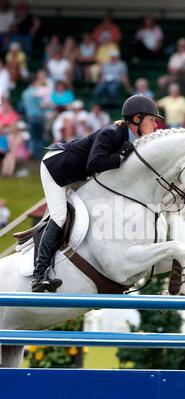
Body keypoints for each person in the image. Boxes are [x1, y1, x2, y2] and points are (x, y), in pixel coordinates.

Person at [31, 94, 164, 293]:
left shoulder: (133, 140)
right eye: (152, 120)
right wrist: (120, 157)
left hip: (77, 172)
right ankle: (39, 275)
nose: (156, 126)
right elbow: (94, 163)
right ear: (137, 119)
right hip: (57, 168)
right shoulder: (111, 133)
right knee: (60, 216)